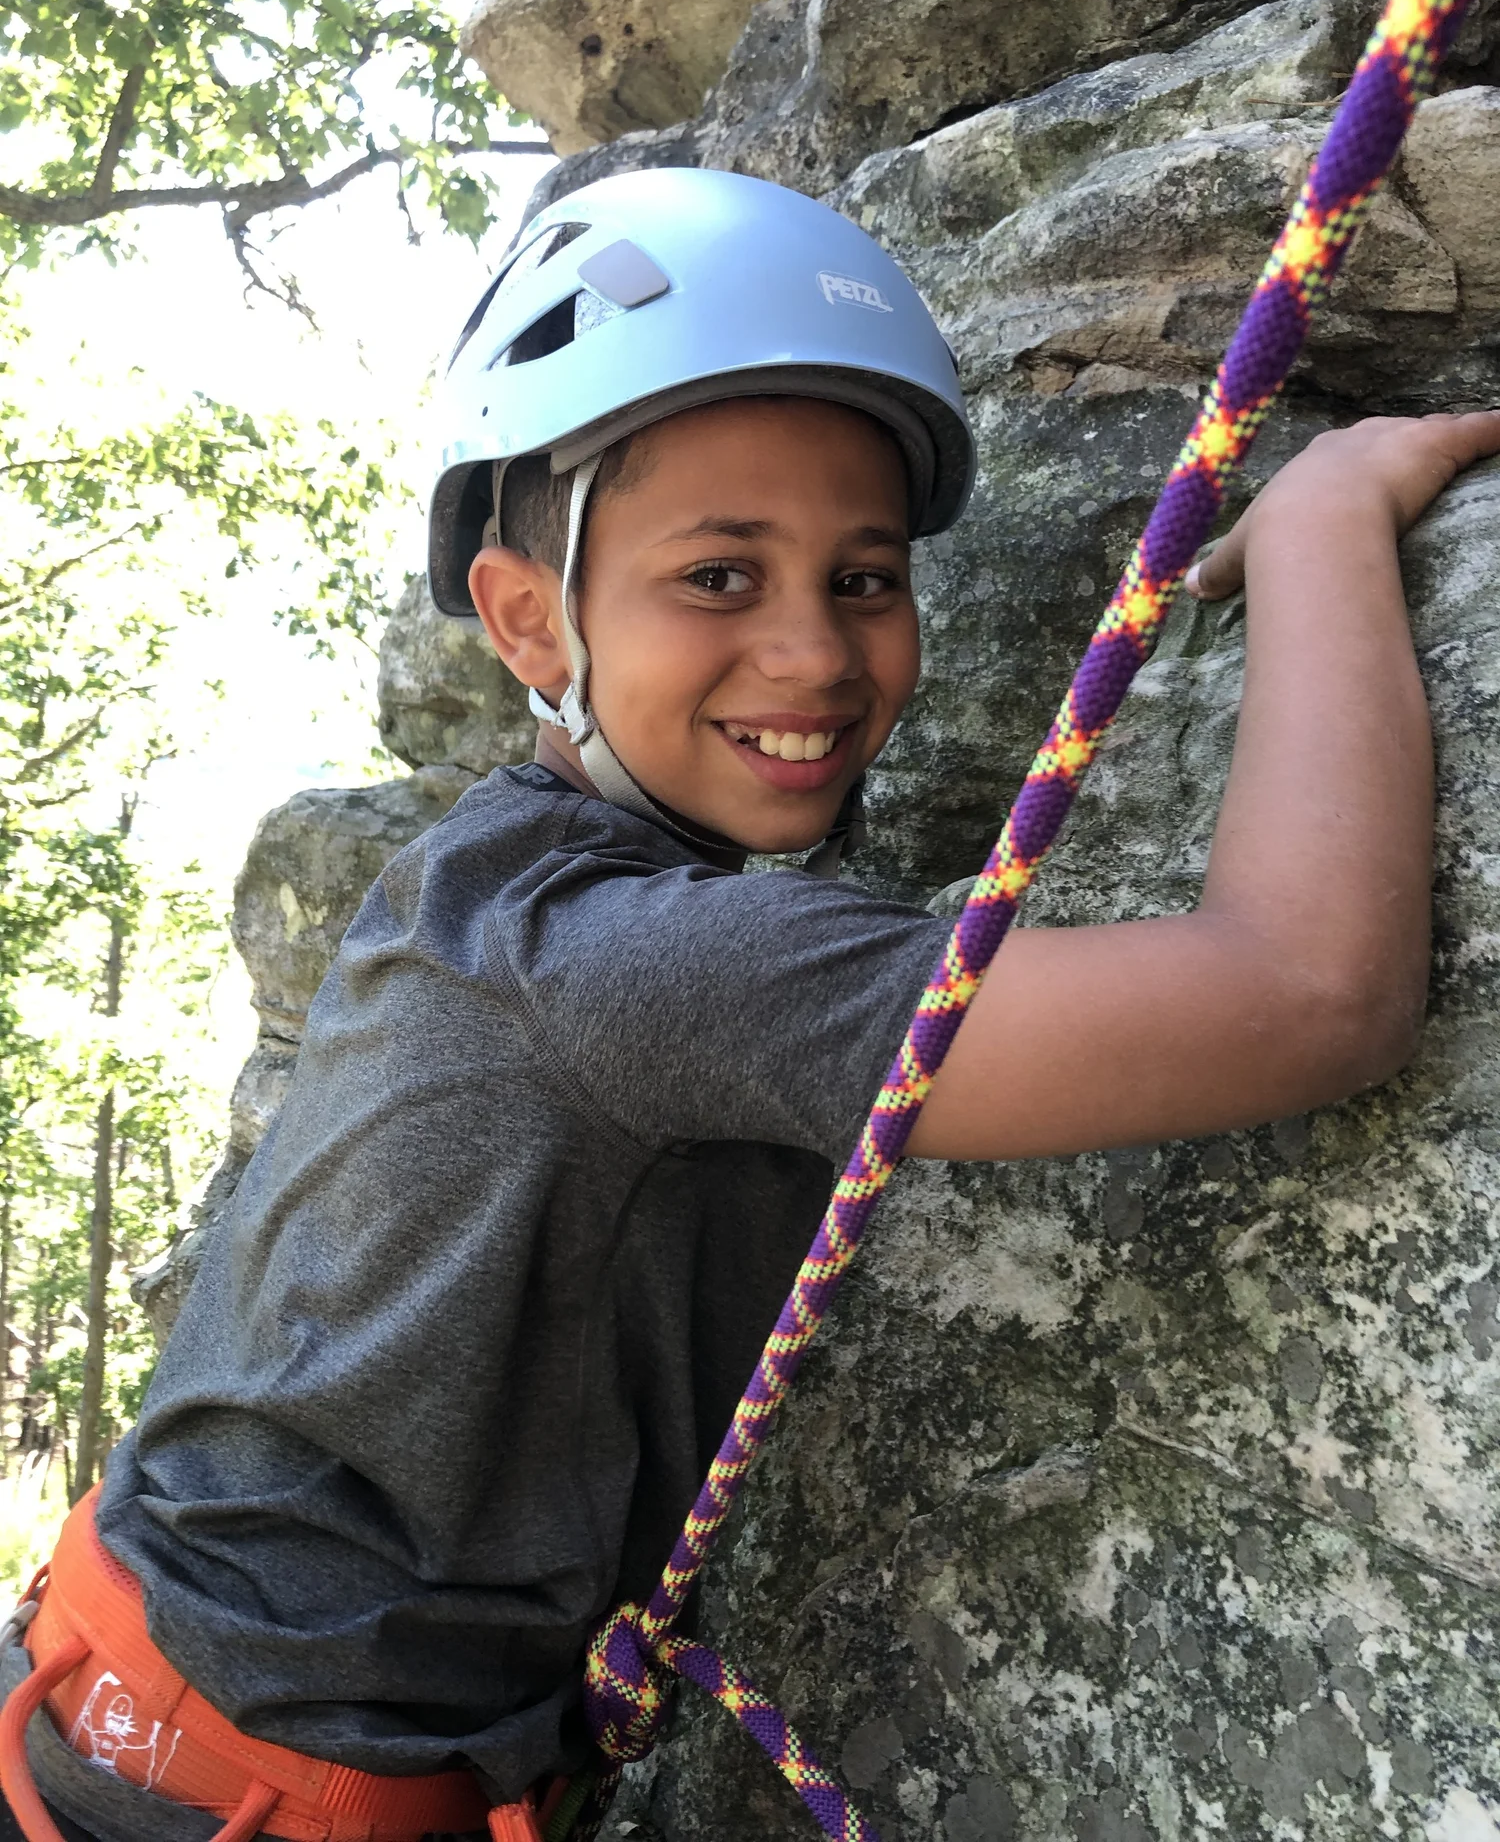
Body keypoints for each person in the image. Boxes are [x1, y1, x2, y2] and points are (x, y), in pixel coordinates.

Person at [1, 167, 1494, 1842]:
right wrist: (1320, 528)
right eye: (719, 576)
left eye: (866, 578)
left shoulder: (486, 878)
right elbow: (1307, 993)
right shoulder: (641, 962)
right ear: (525, 617)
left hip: (134, 1721)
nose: (815, 653)